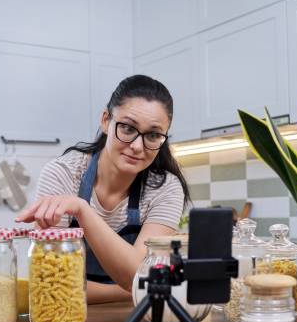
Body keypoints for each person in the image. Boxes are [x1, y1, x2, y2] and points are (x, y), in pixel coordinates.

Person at [15, 75, 190, 304]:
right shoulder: (64, 173)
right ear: (106, 120)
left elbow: (139, 276)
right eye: (127, 128)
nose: (137, 146)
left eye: (153, 135)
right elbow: (50, 283)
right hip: (66, 316)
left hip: (138, 319)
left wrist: (82, 211)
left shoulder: (166, 187)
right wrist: (131, 289)